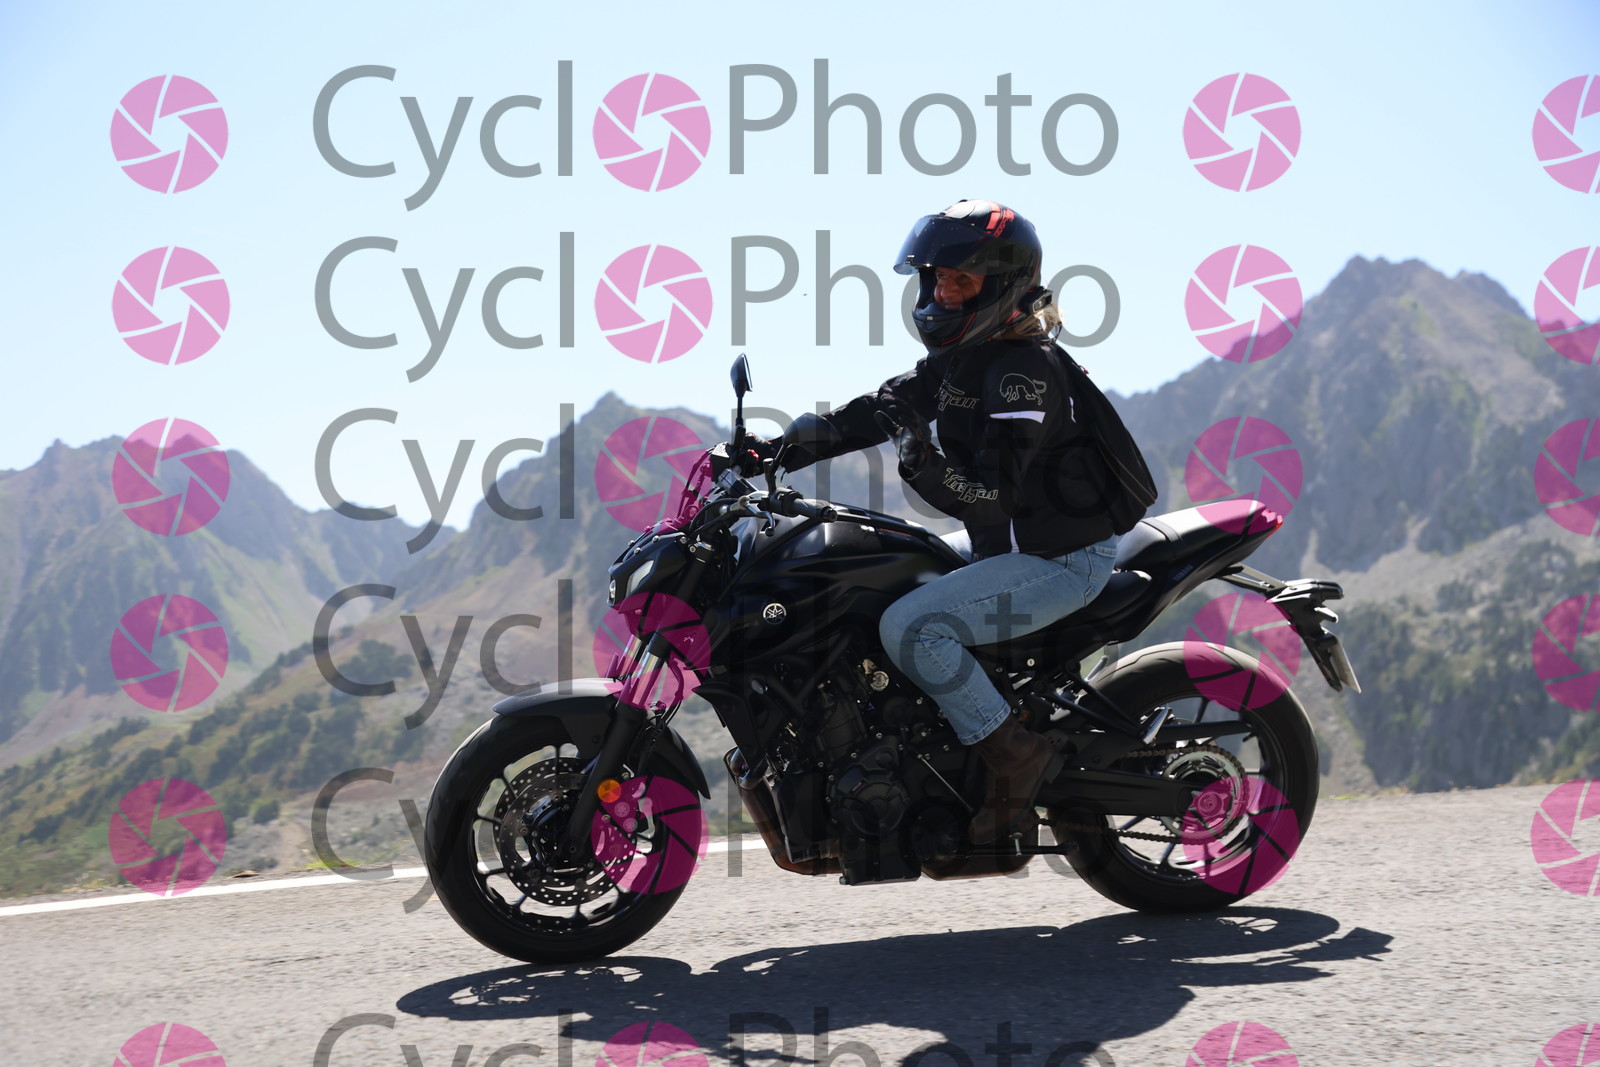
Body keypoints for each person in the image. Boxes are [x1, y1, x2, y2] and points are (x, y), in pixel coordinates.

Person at [762, 199, 1150, 845]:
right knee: (880, 574)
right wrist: (771, 451)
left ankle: (1015, 756)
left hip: (1059, 559)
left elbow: (991, 498)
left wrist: (923, 463)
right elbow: (878, 409)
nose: (943, 293)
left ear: (1002, 285)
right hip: (1006, 544)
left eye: (961, 281)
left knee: (913, 628)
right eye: (938, 278)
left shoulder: (1024, 373)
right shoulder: (967, 355)